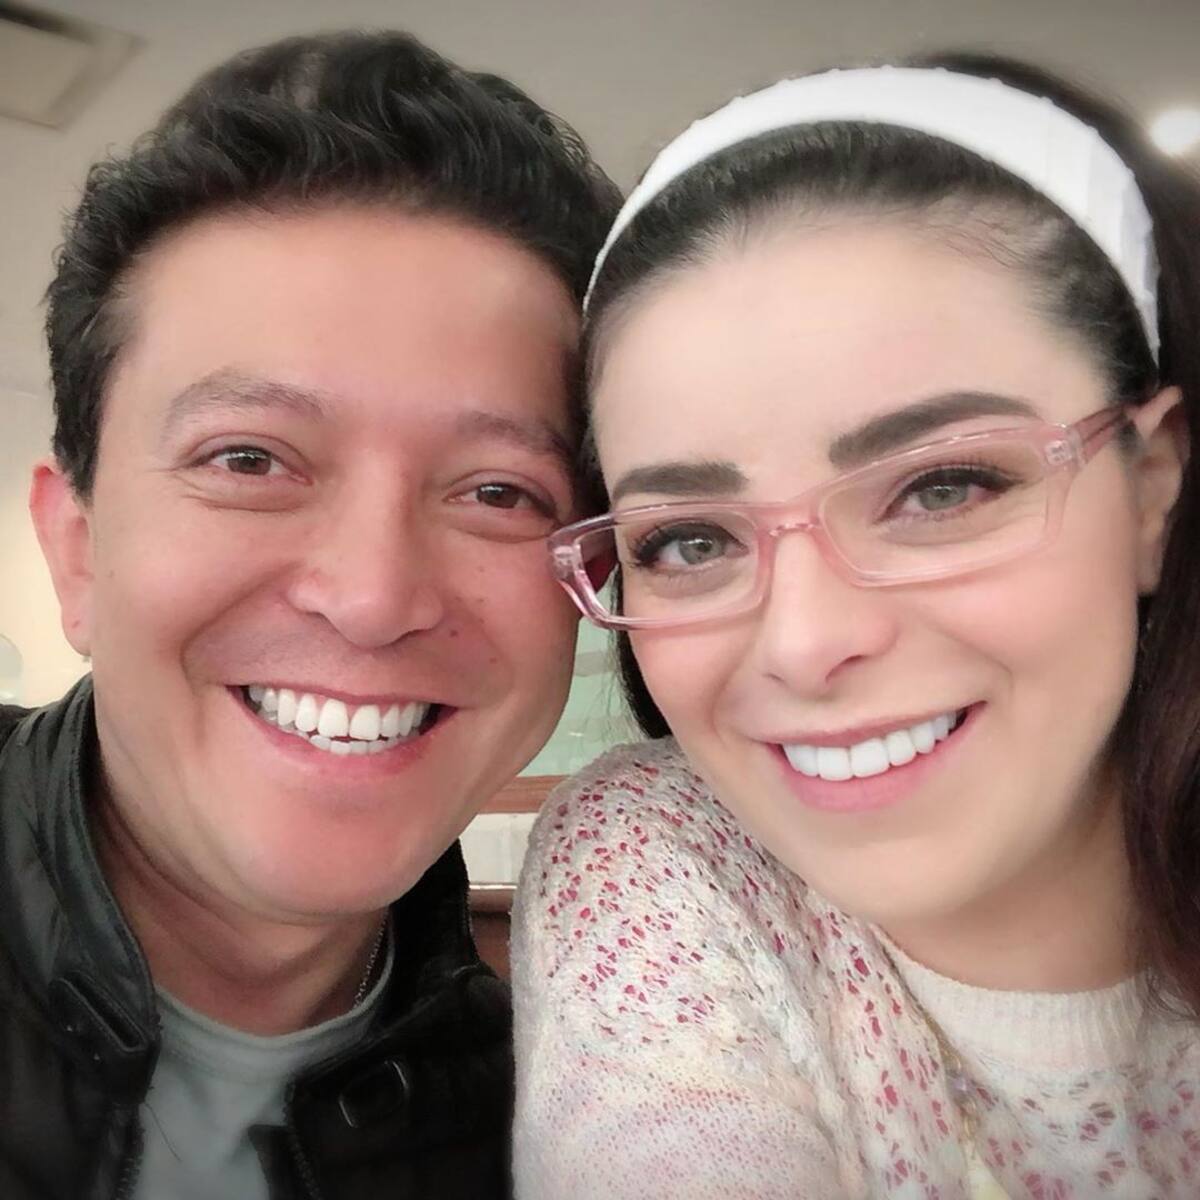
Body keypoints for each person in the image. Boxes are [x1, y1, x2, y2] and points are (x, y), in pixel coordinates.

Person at [513, 53, 1200, 1197]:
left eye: (942, 487)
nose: (802, 642)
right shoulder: (668, 855)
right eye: (691, 540)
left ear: (1151, 490)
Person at [0, 29, 619, 1200]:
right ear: (76, 551)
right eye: (249, 459)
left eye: (498, 491)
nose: (374, 598)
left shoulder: (572, 1134)